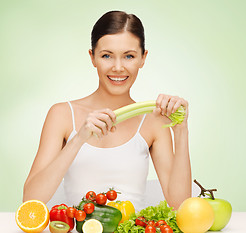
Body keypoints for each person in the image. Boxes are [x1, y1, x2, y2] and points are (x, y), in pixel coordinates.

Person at [23, 10, 191, 211]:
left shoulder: (154, 120)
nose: (118, 67)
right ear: (92, 57)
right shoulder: (62, 114)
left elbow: (179, 204)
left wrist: (181, 129)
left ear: (143, 58)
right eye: (106, 56)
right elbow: (31, 199)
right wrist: (79, 139)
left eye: (129, 56)